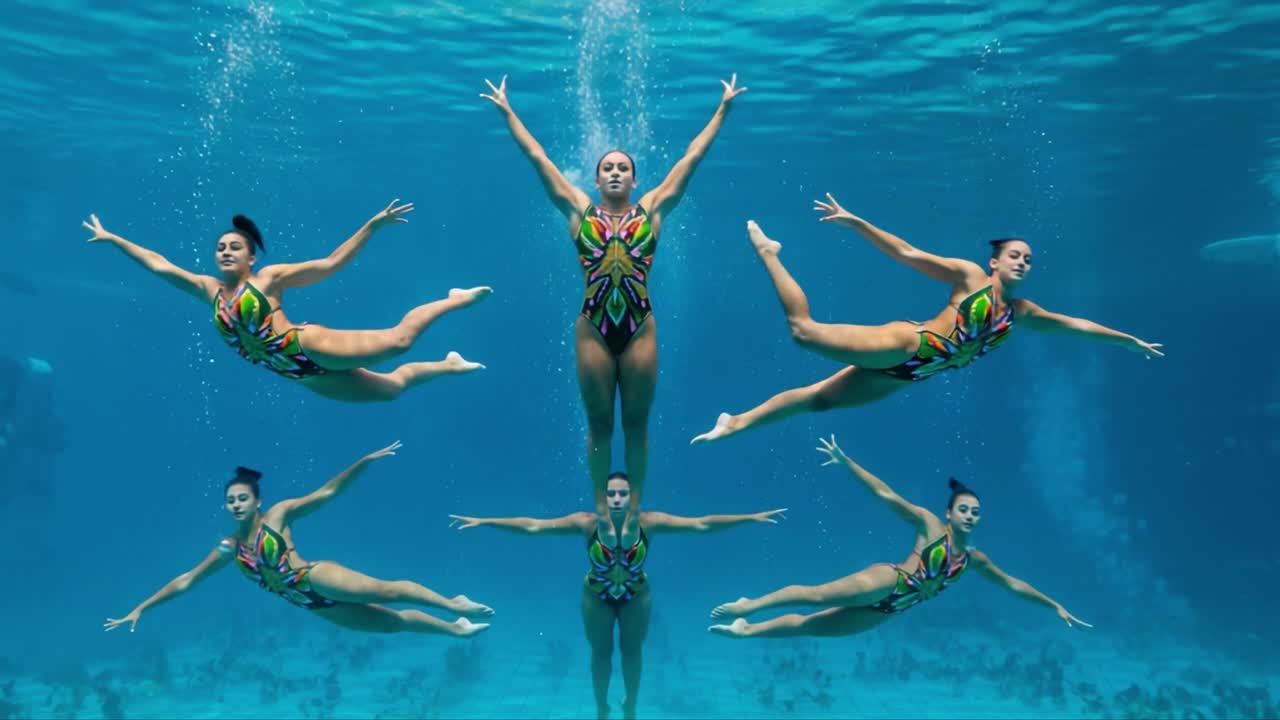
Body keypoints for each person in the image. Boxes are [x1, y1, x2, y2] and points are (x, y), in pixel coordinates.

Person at [480, 73, 747, 531]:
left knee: (637, 426)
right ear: (597, 177)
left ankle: (635, 506)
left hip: (640, 327)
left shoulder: (655, 208)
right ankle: (603, 509)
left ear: (635, 178)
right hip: (593, 329)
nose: (616, 172)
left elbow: (692, 157)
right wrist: (507, 111)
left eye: (624, 167)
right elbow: (537, 157)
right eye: (608, 167)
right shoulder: (577, 209)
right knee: (601, 425)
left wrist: (723, 108)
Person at [691, 195, 1164, 444]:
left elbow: (1075, 325)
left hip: (908, 376)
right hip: (907, 345)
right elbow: (906, 252)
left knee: (819, 403)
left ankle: (735, 423)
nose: (1023, 263)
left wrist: (1127, 340)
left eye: (1029, 259)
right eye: (1015, 256)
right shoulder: (970, 275)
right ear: (995, 262)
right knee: (804, 333)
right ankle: (769, 254)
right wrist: (856, 222)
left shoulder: (1020, 314)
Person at [449, 471, 784, 720]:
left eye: (623, 493)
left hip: (637, 596)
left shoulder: (650, 522)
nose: (618, 499)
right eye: (612, 494)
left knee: (631, 653)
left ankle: (631, 705)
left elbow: (702, 524)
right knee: (601, 654)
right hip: (595, 596)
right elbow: (534, 526)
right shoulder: (585, 522)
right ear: (605, 497)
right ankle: (601, 707)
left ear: (632, 496)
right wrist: (485, 521)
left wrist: (749, 518)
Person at [82, 201, 491, 402]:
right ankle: (447, 365)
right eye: (220, 247)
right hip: (298, 374)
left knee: (399, 343)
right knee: (391, 390)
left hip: (305, 346)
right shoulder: (208, 290)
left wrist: (371, 226)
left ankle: (453, 301)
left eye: (235, 247)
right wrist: (114, 239)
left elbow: (331, 263)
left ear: (251, 257)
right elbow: (158, 265)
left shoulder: (269, 279)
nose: (225, 252)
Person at [708, 435, 1089, 639]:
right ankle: (750, 605)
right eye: (964, 510)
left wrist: (1053, 605)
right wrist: (847, 462)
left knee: (811, 628)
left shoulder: (974, 560)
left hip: (891, 609)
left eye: (976, 513)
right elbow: (886, 495)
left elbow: (1014, 585)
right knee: (817, 594)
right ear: (949, 513)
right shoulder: (929, 525)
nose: (971, 516)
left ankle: (747, 631)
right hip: (889, 580)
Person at [105, 441, 493, 637]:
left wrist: (363, 463)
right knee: (394, 625)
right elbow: (186, 580)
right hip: (312, 604)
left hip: (314, 579)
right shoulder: (230, 548)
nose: (236, 505)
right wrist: (141, 607)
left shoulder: (278, 515)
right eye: (230, 501)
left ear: (257, 501)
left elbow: (326, 494)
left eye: (243, 498)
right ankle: (456, 629)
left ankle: (451, 602)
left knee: (387, 591)